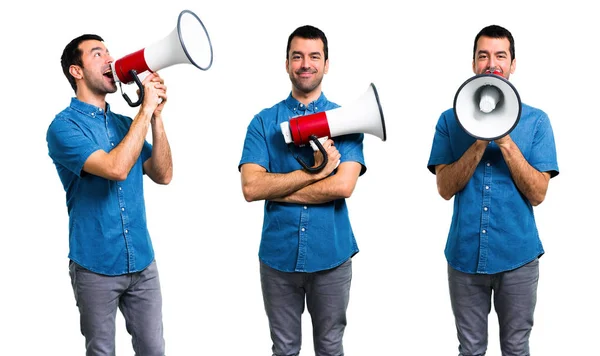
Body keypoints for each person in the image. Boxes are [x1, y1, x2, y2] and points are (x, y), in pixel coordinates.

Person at [427, 25, 559, 355]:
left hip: (518, 258)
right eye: (483, 55)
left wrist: (504, 138)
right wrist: (478, 139)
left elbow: (539, 193)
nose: (492, 63)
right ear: (473, 63)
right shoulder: (449, 120)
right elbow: (444, 188)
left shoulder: (537, 122)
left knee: (516, 348)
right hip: (464, 256)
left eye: (500, 55)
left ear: (513, 63)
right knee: (470, 349)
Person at [238, 25, 366, 356]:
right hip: (278, 259)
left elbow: (343, 186)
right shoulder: (263, 123)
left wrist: (277, 187)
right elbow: (251, 187)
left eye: (313, 56)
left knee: (330, 347)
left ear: (326, 64)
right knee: (284, 350)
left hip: (332, 258)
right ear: (286, 64)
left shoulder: (348, 120)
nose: (305, 64)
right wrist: (316, 171)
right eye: (297, 56)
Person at [46, 34, 172, 356]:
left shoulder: (124, 124)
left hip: (142, 262)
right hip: (95, 266)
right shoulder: (63, 128)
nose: (111, 61)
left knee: (154, 350)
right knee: (101, 352)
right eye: (98, 54)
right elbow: (115, 168)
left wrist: (156, 118)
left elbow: (164, 174)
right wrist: (144, 112)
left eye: (109, 53)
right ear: (76, 71)